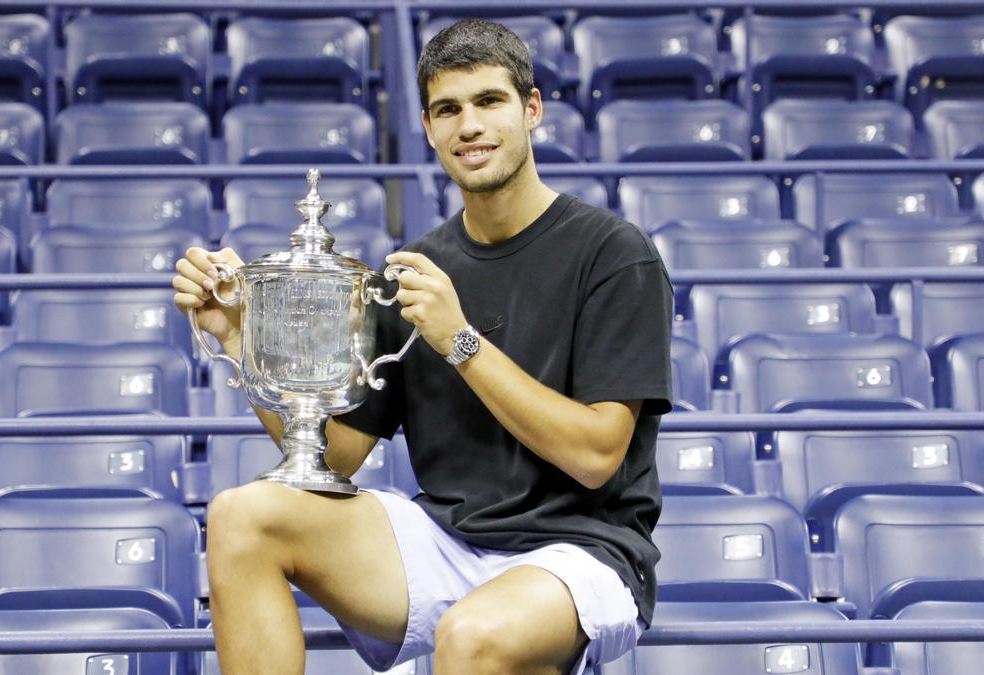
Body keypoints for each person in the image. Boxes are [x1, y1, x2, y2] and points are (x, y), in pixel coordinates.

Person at [172, 18, 673, 675]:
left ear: (531, 110)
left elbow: (596, 456)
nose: (470, 125)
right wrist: (240, 339)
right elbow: (339, 456)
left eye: (489, 102)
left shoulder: (613, 253)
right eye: (448, 110)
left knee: (471, 636)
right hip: (446, 538)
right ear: (430, 129)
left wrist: (460, 342)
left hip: (583, 551)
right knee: (243, 515)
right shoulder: (415, 272)